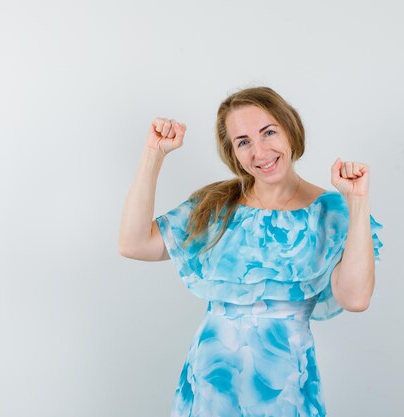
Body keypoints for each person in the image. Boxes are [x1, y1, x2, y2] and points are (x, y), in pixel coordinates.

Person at [118, 86, 383, 417]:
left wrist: (356, 203)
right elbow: (134, 243)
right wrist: (152, 154)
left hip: (284, 390)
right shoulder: (216, 206)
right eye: (243, 141)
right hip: (210, 384)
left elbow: (355, 299)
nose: (259, 151)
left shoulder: (331, 212)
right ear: (233, 153)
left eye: (268, 132)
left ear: (290, 131)